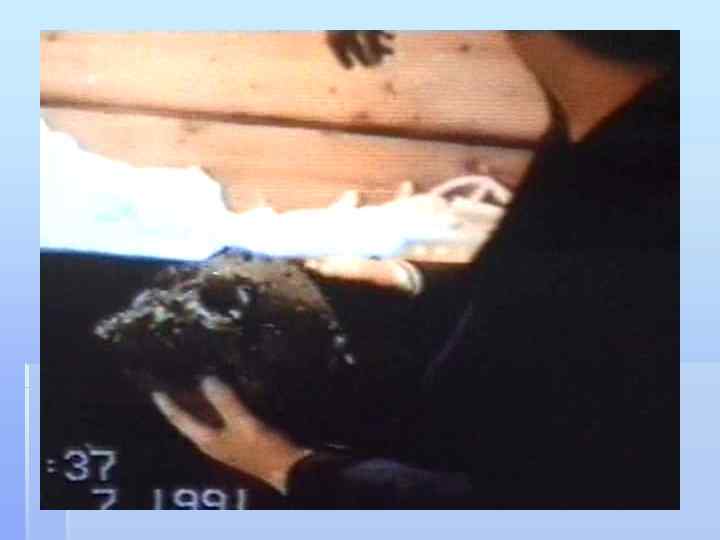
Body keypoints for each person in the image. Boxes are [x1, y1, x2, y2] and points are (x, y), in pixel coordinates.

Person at [150, 31, 680, 508]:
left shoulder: (647, 199)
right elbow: (537, 299)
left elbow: (537, 502)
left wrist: (288, 468)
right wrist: (411, 281)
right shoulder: (615, 124)